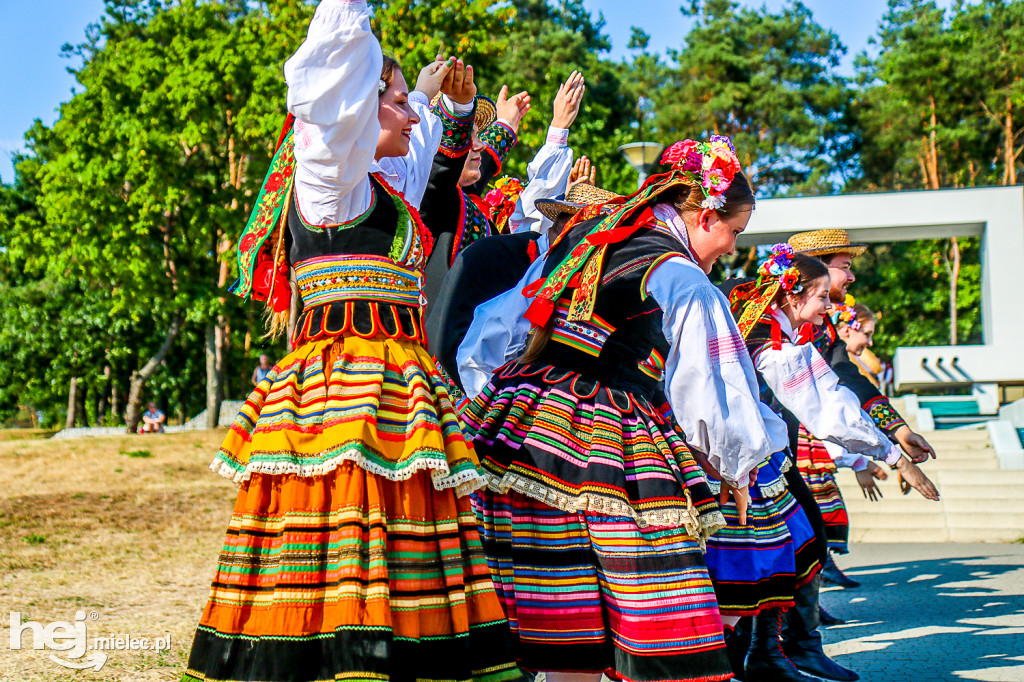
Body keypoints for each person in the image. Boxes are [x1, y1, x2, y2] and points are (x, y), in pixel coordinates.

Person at [180, 3, 523, 681]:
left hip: (395, 392)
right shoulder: (330, 178)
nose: (411, 113)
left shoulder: (374, 187)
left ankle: (395, 662)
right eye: (398, 103)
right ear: (357, 108)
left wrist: (440, 109)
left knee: (394, 546)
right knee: (344, 534)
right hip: (343, 392)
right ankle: (339, 663)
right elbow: (331, 71)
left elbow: (429, 155)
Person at [459, 137, 789, 682]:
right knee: (655, 590)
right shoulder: (680, 274)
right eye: (734, 232)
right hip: (605, 431)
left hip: (523, 419)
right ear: (706, 216)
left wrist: (485, 393)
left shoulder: (590, 238)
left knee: (561, 605)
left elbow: (499, 321)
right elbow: (711, 380)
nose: (732, 248)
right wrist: (734, 462)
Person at [420, 72, 586, 311]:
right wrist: (458, 106)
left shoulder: (465, 197)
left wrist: (510, 125)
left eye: (477, 134)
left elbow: (482, 161)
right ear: (446, 144)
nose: (478, 145)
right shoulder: (431, 196)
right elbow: (445, 172)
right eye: (467, 136)